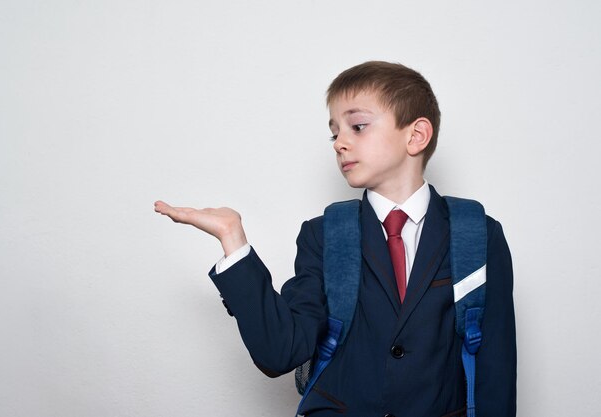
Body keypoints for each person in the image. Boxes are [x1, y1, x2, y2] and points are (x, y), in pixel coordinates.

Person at [154, 61, 516, 417]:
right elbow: (281, 352)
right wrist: (233, 242)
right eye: (334, 133)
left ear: (416, 135)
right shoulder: (325, 234)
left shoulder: (477, 232)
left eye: (357, 126)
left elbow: (495, 367)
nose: (340, 143)